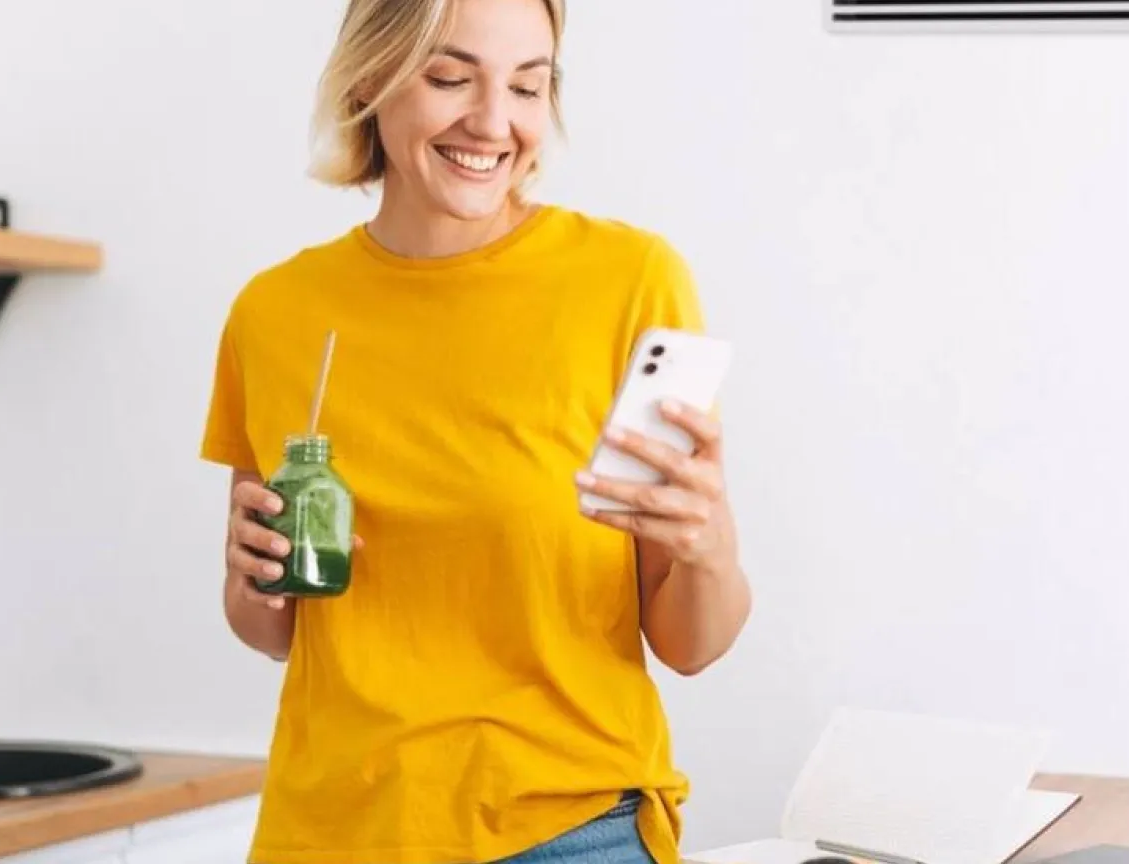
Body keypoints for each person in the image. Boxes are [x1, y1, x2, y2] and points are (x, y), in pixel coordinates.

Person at [199, 0, 752, 861]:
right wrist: (252, 578)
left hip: (566, 827)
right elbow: (272, 630)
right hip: (330, 831)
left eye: (528, 88)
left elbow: (691, 646)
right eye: (451, 78)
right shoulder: (275, 314)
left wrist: (710, 550)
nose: (494, 124)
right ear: (371, 80)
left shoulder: (629, 283)